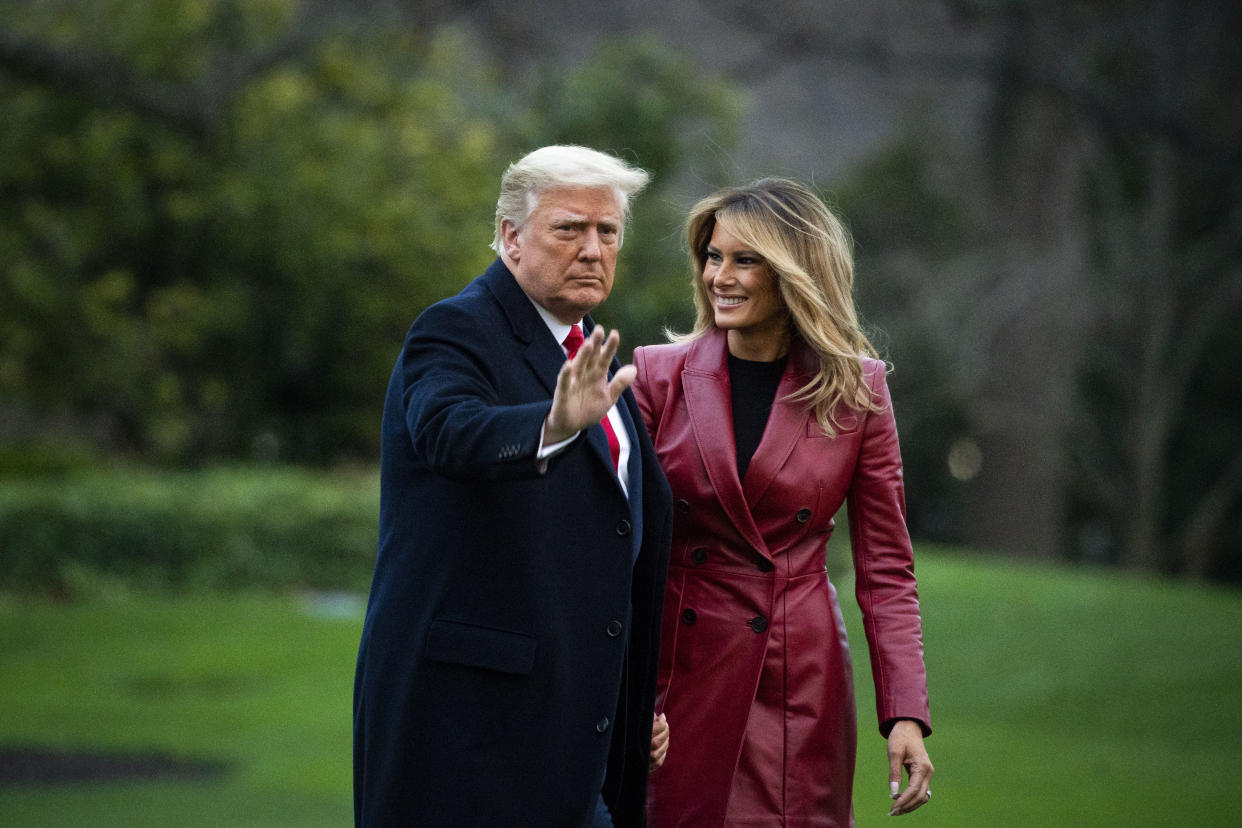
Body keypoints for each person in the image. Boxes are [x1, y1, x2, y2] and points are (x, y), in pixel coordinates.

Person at [353, 145, 674, 827]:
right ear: (510, 237)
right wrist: (552, 423)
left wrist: (626, 701)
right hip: (471, 744)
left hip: (578, 749)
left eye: (607, 232)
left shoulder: (595, 357)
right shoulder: (455, 329)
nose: (592, 250)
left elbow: (609, 541)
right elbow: (450, 432)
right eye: (568, 229)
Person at [631, 178, 934, 826]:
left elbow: (887, 570)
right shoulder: (657, 375)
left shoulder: (859, 391)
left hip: (796, 673)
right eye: (713, 257)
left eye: (746, 260)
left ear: (795, 271)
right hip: (678, 669)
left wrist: (904, 712)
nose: (721, 277)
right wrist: (620, 687)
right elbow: (616, 544)